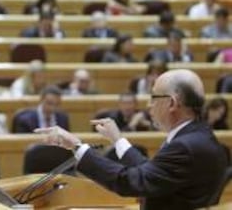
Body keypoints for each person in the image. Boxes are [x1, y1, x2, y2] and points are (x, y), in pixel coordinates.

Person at [35, 69, 228, 210]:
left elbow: (133, 181)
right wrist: (118, 140)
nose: (148, 105)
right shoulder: (199, 137)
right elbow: (151, 174)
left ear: (172, 103)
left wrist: (77, 147)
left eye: (153, 97)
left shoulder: (185, 146)